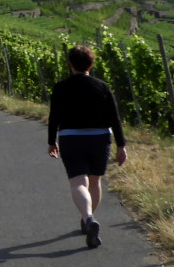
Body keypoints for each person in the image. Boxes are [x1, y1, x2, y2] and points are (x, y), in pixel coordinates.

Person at [47, 44, 127, 248]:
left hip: (70, 138)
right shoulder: (102, 87)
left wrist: (51, 141)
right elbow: (114, 118)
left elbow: (54, 117)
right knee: (94, 181)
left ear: (70, 64)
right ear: (91, 64)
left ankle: (88, 217)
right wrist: (121, 145)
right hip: (99, 138)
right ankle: (87, 220)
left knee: (78, 183)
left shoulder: (60, 87)